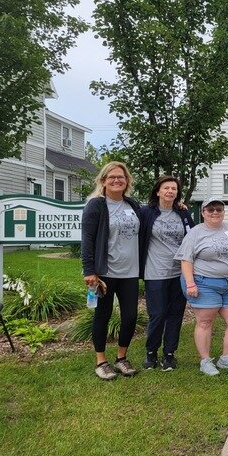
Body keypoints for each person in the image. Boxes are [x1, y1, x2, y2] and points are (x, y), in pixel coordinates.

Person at [81, 161, 141, 380]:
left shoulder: (133, 205)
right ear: (103, 181)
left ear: (127, 181)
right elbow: (87, 240)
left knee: (130, 316)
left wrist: (178, 206)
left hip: (130, 272)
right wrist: (89, 270)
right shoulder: (96, 205)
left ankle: (121, 358)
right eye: (112, 177)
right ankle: (101, 361)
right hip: (104, 273)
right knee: (102, 315)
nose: (117, 180)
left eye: (121, 177)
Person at [174, 197, 228, 376]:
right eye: (210, 209)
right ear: (203, 212)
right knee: (205, 322)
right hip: (203, 282)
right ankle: (205, 361)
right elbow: (186, 259)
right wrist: (190, 283)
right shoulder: (196, 232)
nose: (215, 212)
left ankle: (226, 358)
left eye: (219, 209)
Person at [139, 176, 195, 371]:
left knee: (175, 314)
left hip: (180, 272)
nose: (170, 191)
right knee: (157, 313)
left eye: (174, 189)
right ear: (158, 191)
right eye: (166, 188)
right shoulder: (146, 212)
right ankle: (151, 352)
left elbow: (193, 237)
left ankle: (169, 354)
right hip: (155, 271)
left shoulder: (183, 213)